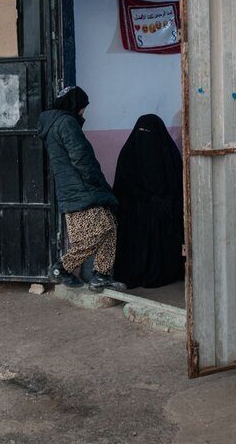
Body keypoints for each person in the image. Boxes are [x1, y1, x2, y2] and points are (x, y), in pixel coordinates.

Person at [37, 86, 126, 292]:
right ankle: (62, 268)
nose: (83, 112)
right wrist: (97, 182)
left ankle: (101, 276)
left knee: (110, 225)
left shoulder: (53, 124)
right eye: (83, 108)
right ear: (75, 105)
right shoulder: (67, 123)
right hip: (81, 188)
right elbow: (81, 157)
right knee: (100, 230)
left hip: (74, 188)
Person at [112, 114, 185, 289]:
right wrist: (146, 200)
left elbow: (178, 188)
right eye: (142, 132)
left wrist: (162, 202)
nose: (146, 138)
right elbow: (122, 189)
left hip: (161, 210)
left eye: (149, 133)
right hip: (134, 210)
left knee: (159, 213)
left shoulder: (169, 156)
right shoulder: (128, 155)